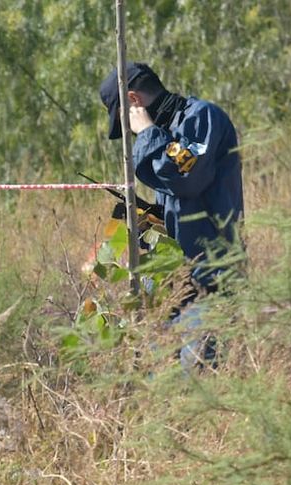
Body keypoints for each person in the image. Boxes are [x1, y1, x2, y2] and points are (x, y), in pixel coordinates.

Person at [99, 62, 244, 366]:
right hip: (174, 283)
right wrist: (147, 221)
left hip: (211, 280)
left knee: (198, 378)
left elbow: (186, 176)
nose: (130, 133)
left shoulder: (202, 117)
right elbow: (178, 204)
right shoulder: (166, 134)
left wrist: (148, 132)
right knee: (156, 377)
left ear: (134, 100)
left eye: (125, 121)